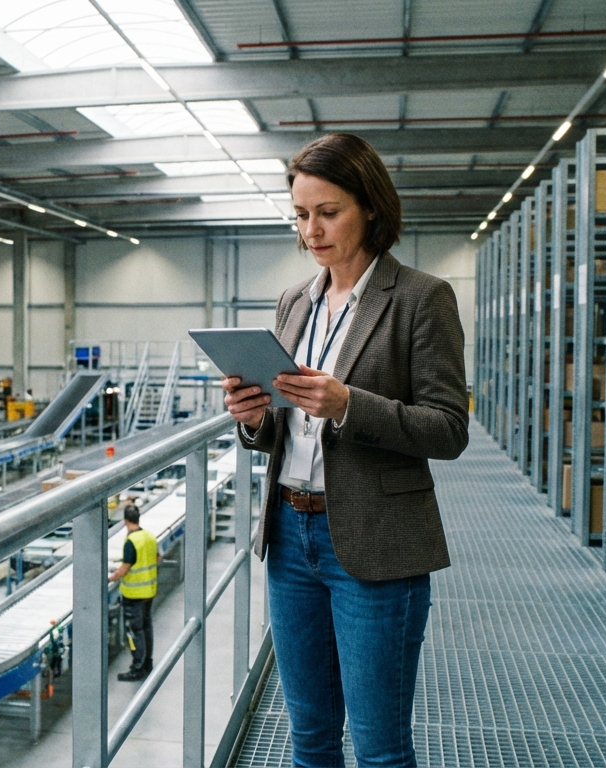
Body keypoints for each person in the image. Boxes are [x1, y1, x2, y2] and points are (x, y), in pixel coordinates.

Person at [221, 133, 468, 768]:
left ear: (371, 209)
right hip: (289, 534)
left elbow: (448, 428)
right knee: (310, 737)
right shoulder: (293, 302)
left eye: (328, 213)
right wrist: (252, 420)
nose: (312, 231)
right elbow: (281, 426)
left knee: (380, 747)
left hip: (375, 543)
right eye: (301, 215)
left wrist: (350, 405)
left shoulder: (420, 298)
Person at [107, 503, 156, 682]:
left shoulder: (131, 541)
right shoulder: (148, 536)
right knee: (146, 628)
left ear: (126, 521)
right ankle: (147, 663)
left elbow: (124, 569)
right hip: (149, 591)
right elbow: (157, 557)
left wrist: (109, 578)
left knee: (135, 632)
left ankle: (137, 668)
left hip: (134, 595)